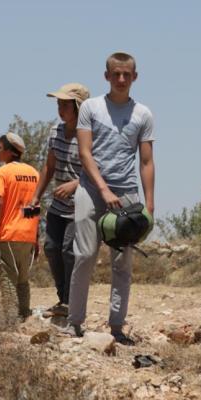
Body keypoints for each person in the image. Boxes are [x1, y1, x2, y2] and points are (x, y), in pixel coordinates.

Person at [65, 53, 156, 343]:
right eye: (115, 74)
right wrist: (103, 189)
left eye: (126, 75)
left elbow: (146, 162)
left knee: (122, 262)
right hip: (92, 189)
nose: (120, 79)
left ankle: (117, 327)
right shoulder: (91, 108)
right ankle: (74, 322)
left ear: (134, 77)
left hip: (127, 193)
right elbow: (84, 153)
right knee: (85, 256)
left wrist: (149, 204)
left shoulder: (143, 114)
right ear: (106, 76)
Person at [29, 82, 90, 317]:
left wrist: (75, 185)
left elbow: (97, 170)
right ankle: (62, 298)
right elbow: (49, 166)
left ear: (78, 106)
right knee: (51, 248)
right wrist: (36, 196)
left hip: (81, 205)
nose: (60, 108)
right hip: (58, 205)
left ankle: (69, 302)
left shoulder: (90, 135)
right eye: (58, 103)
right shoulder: (55, 131)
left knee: (69, 250)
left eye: (65, 104)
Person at [0, 133, 41, 321]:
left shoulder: (1, 173)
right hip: (28, 234)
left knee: (8, 277)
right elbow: (36, 207)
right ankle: (25, 315)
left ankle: (11, 320)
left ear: (10, 152)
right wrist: (36, 237)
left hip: (8, 233)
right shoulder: (34, 173)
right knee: (23, 279)